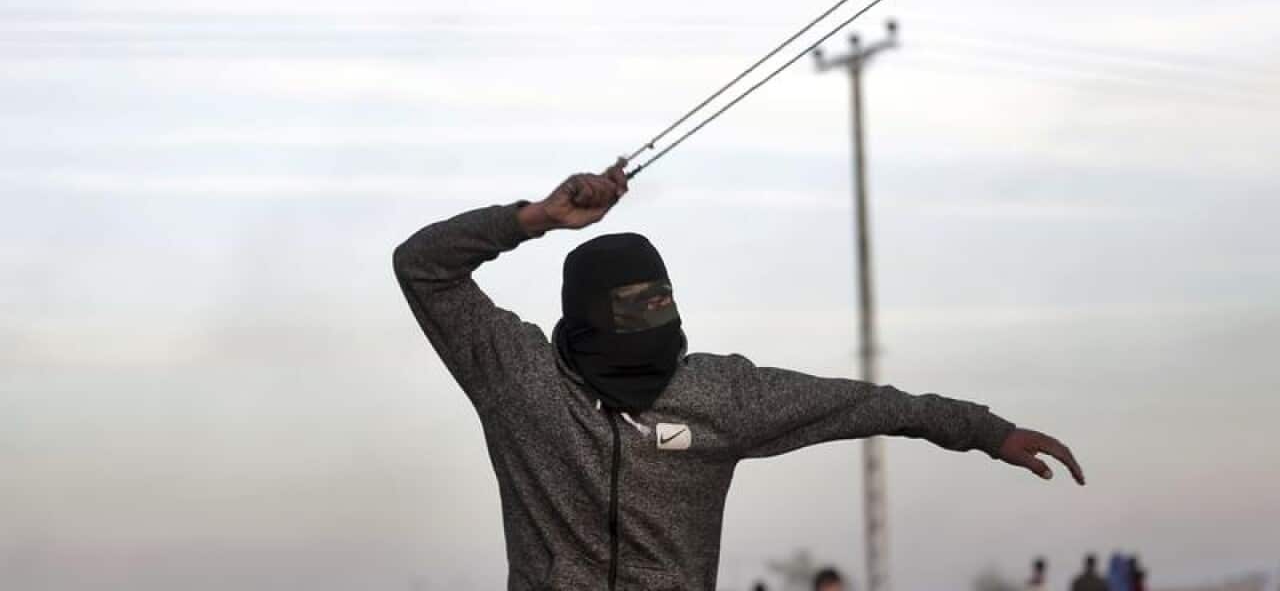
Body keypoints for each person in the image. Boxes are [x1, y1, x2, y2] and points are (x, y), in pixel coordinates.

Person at [392, 159, 1087, 590]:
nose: (655, 322)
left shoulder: (720, 394)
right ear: (585, 317)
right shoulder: (522, 381)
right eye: (633, 309)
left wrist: (987, 431)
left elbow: (868, 405)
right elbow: (423, 264)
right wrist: (536, 217)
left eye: (662, 302)